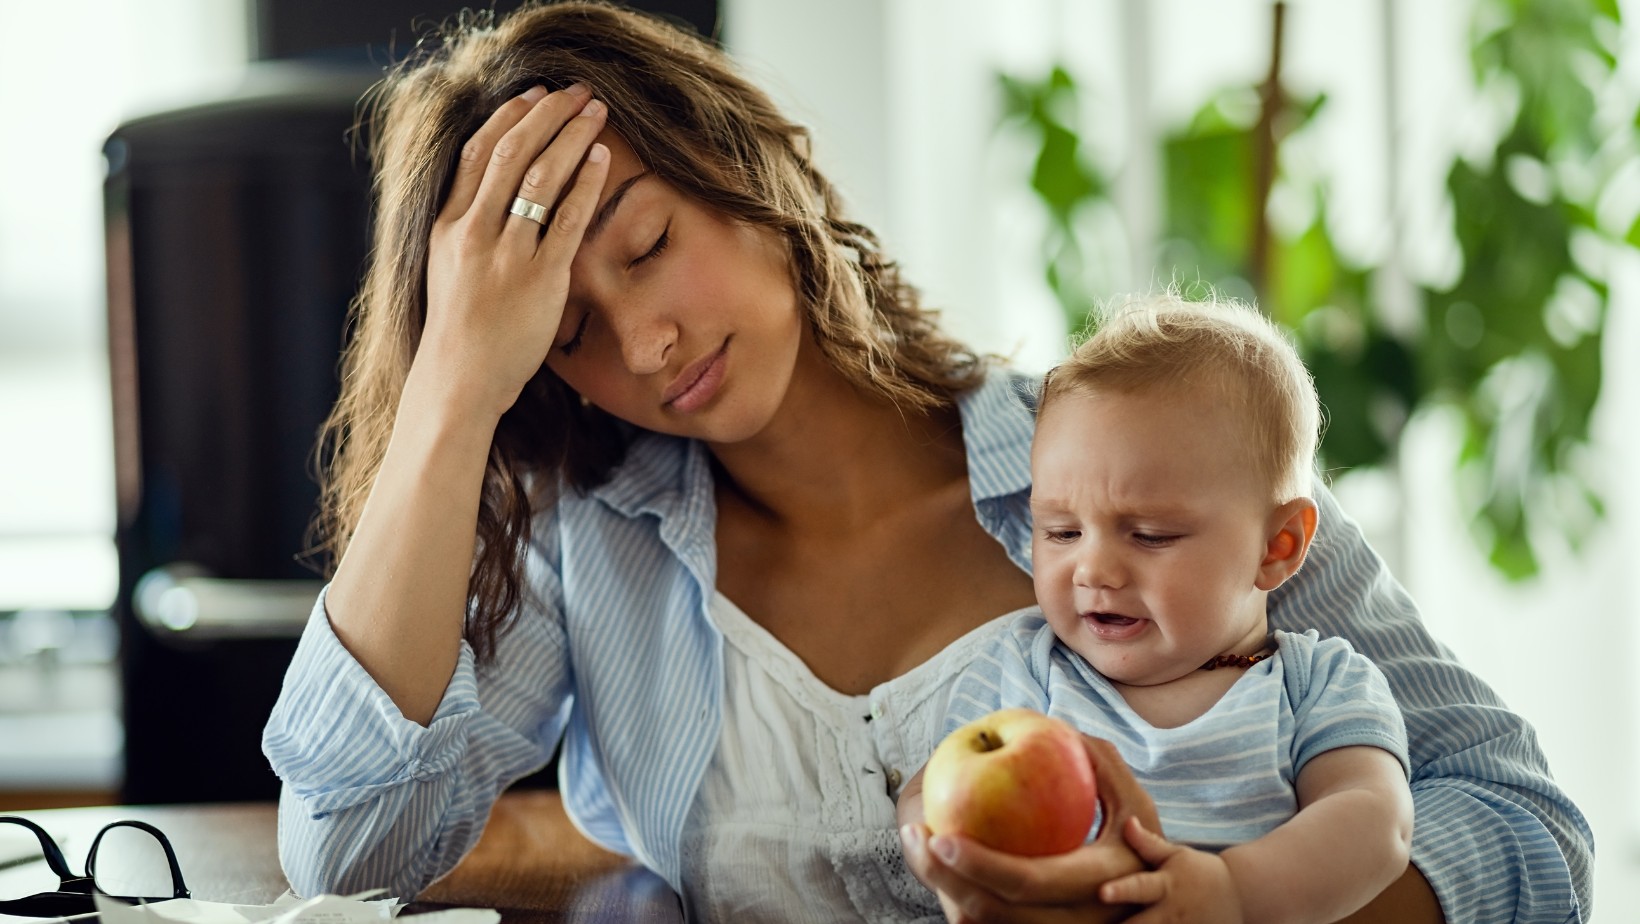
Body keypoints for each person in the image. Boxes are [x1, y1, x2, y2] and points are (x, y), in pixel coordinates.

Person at [259, 2, 1592, 921]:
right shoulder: (593, 548)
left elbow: (1530, 836)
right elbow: (347, 846)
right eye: (565, 332)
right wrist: (448, 393)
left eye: (648, 244)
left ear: (751, 167)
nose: (646, 341)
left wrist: (1225, 902)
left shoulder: (1143, 472)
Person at [897, 293, 1414, 924]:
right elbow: (930, 787)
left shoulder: (1318, 685)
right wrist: (946, 855)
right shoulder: (1022, 668)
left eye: (1149, 535)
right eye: (1061, 532)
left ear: (1278, 547)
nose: (1093, 569)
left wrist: (1234, 893)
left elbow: (1376, 822)